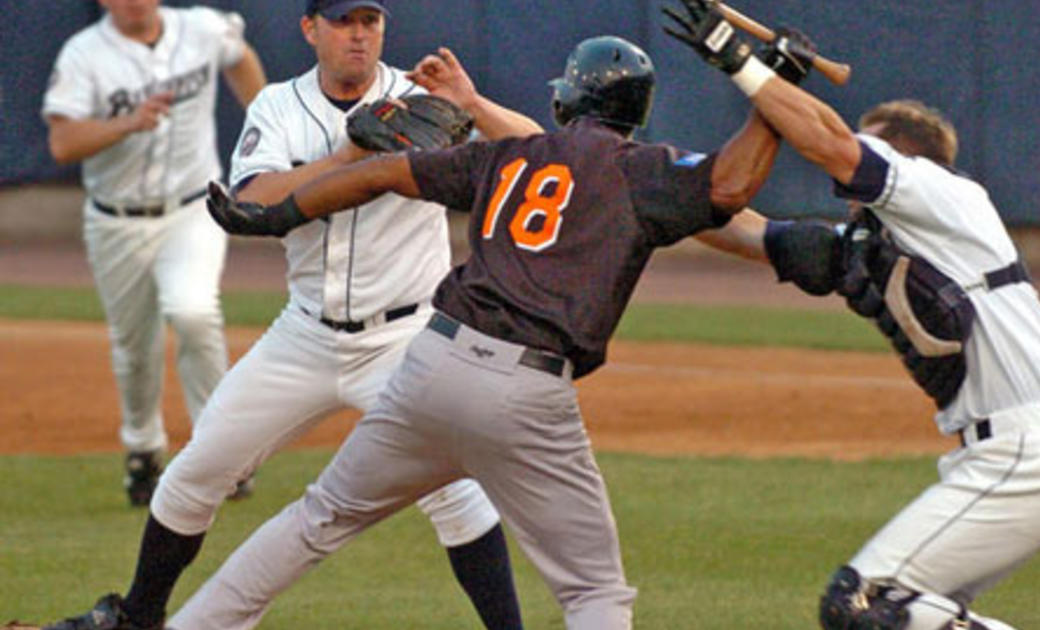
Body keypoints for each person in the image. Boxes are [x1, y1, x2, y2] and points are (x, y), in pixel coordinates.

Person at [187, 33, 779, 629]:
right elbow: (730, 187)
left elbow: (383, 171)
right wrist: (768, 90)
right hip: (528, 390)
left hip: (431, 365)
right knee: (594, 593)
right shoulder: (640, 173)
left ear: (567, 100)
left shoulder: (509, 157)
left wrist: (278, 214)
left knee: (318, 518)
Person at [39, 2, 539, 630]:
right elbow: (255, 198)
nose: (359, 34)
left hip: (406, 338)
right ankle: (139, 617)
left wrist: (474, 103)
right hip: (304, 335)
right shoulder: (277, 106)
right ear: (310, 29)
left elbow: (544, 153)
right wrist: (349, 154)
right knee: (197, 471)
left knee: (456, 495)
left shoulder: (420, 97)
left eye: (370, 20)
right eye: (342, 21)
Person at [665, 2, 1040, 628]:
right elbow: (750, 232)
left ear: (907, 159)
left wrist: (742, 65)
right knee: (912, 611)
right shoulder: (889, 249)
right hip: (1010, 456)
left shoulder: (945, 196)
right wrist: (648, 182)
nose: (846, 193)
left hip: (1031, 451)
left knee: (860, 604)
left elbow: (829, 143)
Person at [41, 0, 266, 506]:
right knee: (134, 345)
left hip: (192, 208)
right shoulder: (84, 54)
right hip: (115, 220)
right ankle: (143, 448)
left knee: (193, 312)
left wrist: (265, 121)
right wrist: (125, 124)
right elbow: (62, 142)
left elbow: (239, 55)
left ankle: (221, 453)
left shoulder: (202, 29)